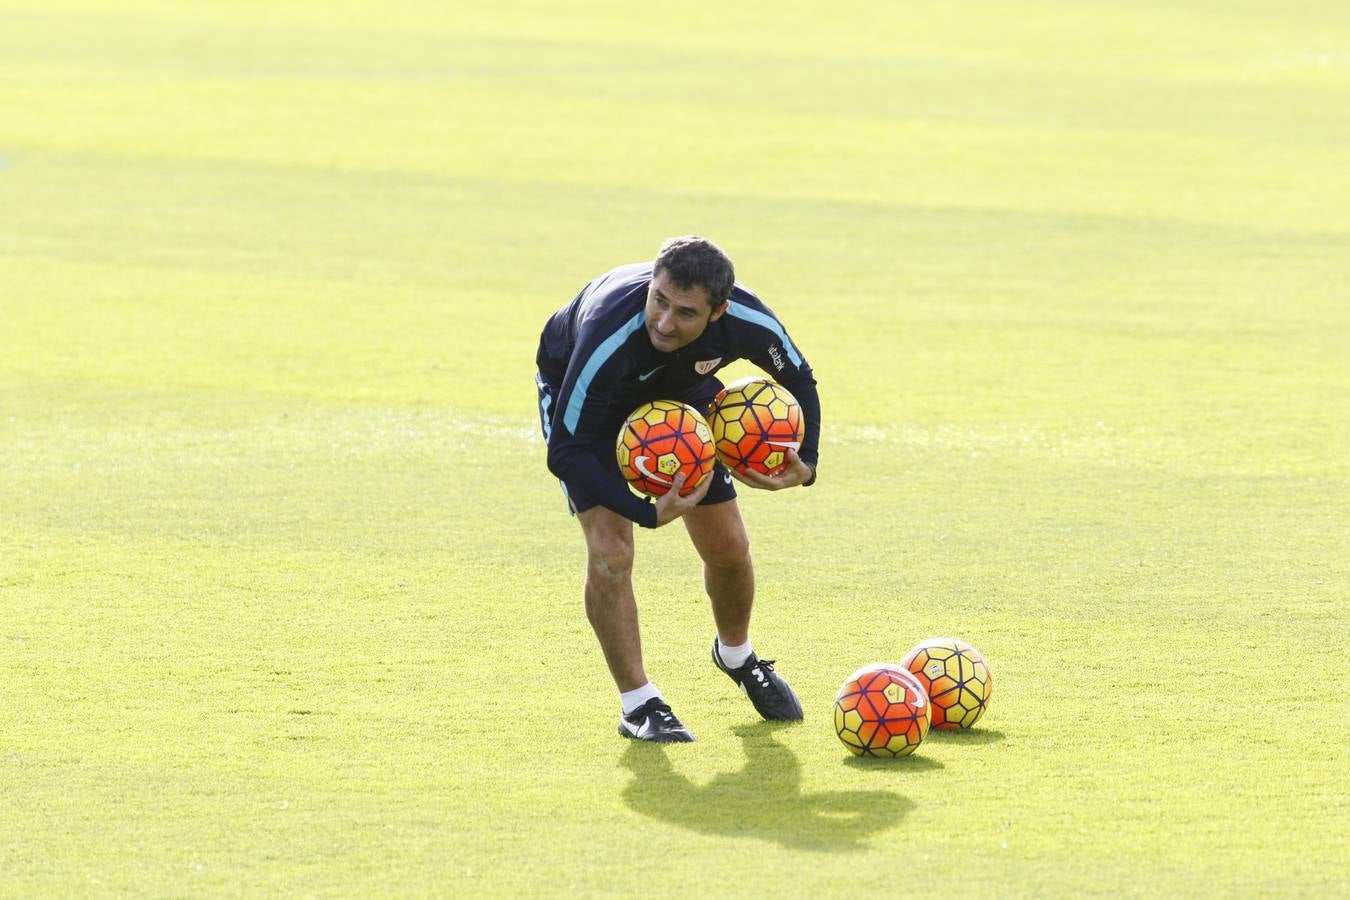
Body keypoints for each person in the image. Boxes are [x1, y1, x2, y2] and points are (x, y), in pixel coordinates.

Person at [534, 236, 821, 743]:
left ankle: (736, 656)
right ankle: (638, 705)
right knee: (611, 551)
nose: (664, 322)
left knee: (729, 547)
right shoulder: (608, 332)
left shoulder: (747, 321)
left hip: (678, 394)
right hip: (587, 404)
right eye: (658, 301)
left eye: (685, 312)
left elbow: (798, 377)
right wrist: (645, 512)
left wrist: (808, 462)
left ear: (718, 313)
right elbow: (566, 451)